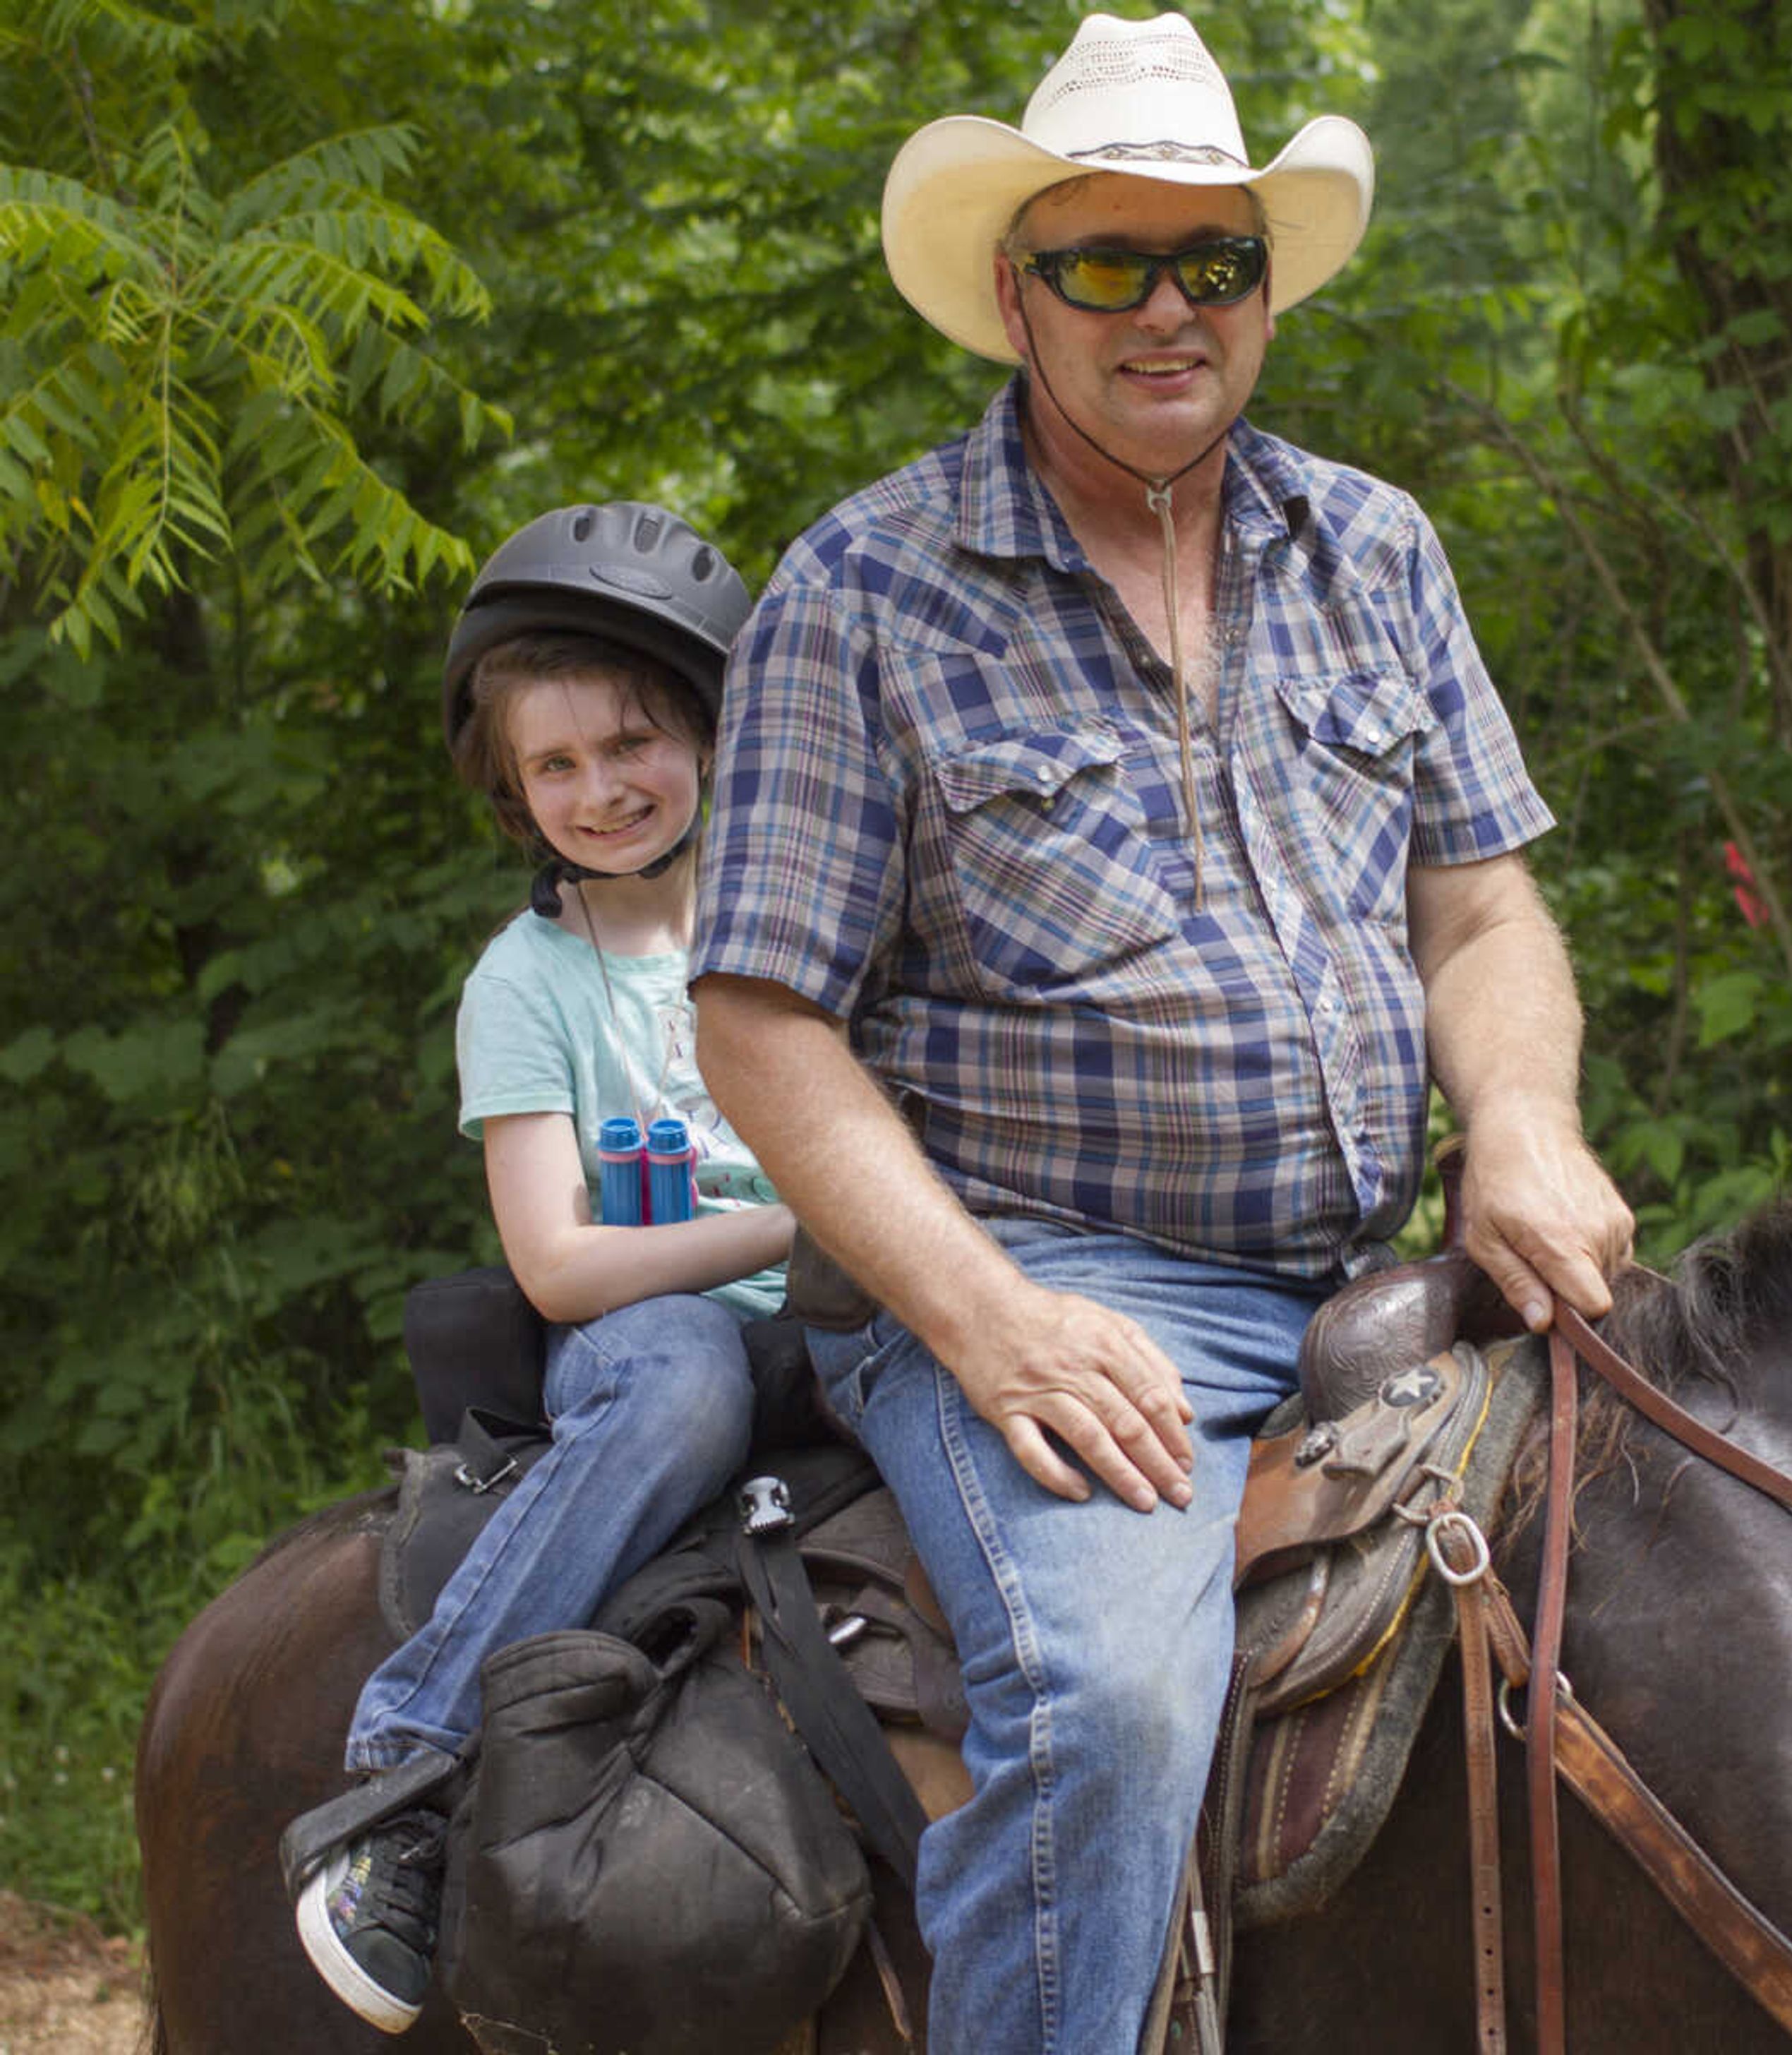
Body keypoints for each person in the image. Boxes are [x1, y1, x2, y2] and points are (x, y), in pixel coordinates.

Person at [690, 15, 1635, 2051]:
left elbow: (1478, 909)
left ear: (1267, 288)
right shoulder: (865, 591)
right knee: (1111, 1703)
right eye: (1106, 265)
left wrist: (1528, 1123)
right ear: (1015, 295)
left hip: (1382, 1274)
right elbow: (762, 1025)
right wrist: (981, 1315)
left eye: (1213, 263)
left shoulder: (1371, 548)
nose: (1166, 311)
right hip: (1042, 1282)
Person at [293, 502, 797, 2034]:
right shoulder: (525, 986)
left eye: (633, 742)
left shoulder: (801, 911)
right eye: (555, 764)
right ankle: (411, 1763)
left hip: (854, 1311)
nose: (601, 787)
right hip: (649, 1334)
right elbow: (565, 1266)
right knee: (681, 1377)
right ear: (513, 789)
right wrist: (802, 1226)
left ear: (707, 732)